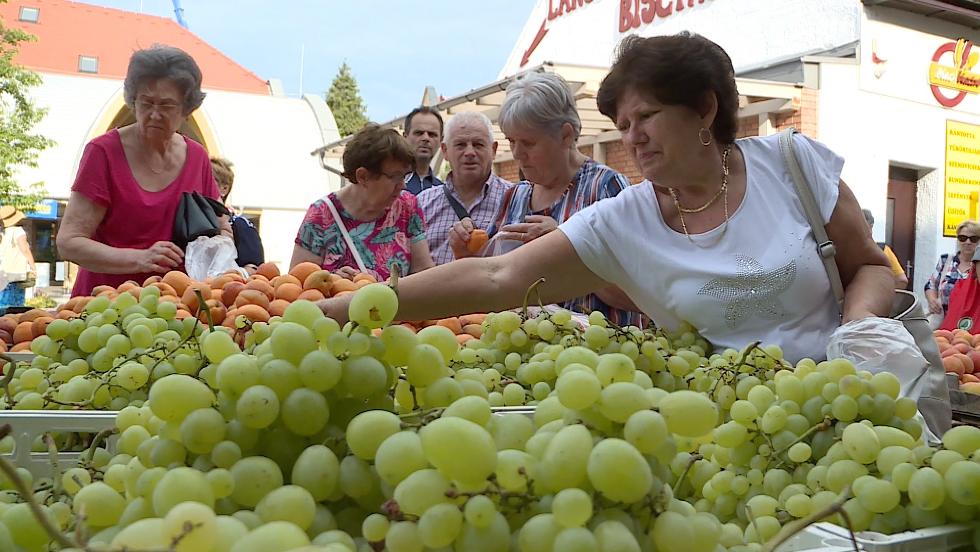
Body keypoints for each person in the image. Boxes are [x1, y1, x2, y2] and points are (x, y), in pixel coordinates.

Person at [318, 32, 894, 364]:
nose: (631, 136)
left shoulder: (792, 164)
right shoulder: (627, 218)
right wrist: (335, 311)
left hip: (843, 413)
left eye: (646, 115)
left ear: (705, 108)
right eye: (622, 121)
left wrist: (859, 328)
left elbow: (869, 265)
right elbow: (497, 278)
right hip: (721, 431)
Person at [451, 72, 642, 326]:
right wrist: (465, 255)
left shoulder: (607, 189)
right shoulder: (515, 196)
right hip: (526, 353)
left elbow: (641, 295)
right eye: (511, 141)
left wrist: (569, 248)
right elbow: (493, 280)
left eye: (528, 143)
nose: (517, 154)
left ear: (565, 135)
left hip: (601, 355)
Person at [57, 45, 229, 296]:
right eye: (146, 102)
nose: (155, 114)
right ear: (133, 100)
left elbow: (222, 223)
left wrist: (223, 249)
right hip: (104, 309)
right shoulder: (103, 152)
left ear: (186, 109)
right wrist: (141, 258)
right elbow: (69, 243)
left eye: (167, 106)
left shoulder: (197, 157)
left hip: (176, 309)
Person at [291, 123, 435, 280]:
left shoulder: (408, 206)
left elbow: (424, 275)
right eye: (395, 176)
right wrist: (333, 283)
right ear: (363, 176)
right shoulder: (320, 216)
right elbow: (297, 287)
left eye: (404, 175)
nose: (403, 185)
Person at [417, 112, 513, 265]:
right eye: (460, 145)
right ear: (445, 151)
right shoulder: (421, 203)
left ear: (493, 150)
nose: (469, 152)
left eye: (478, 144)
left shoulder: (516, 200)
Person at [211, 157, 265, 272]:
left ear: (224, 189)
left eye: (209, 181)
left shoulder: (240, 225)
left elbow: (255, 267)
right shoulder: (186, 223)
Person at [925, 219, 980, 320]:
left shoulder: (978, 267)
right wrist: (932, 300)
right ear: (958, 239)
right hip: (943, 320)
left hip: (971, 322)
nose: (968, 242)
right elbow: (931, 284)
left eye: (973, 238)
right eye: (963, 238)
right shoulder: (946, 260)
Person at [861, 209, 908, 289]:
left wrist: (881, 293)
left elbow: (902, 281)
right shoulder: (842, 250)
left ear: (871, 227)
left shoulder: (883, 250)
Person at [403, 106, 445, 195]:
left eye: (432, 134)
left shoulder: (444, 192)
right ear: (405, 137)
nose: (426, 138)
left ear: (441, 140)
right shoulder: (388, 185)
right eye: (419, 133)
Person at [0, 207, 36, 309]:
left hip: (3, 273)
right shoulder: (18, 231)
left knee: (2, 304)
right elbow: (25, 249)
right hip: (16, 273)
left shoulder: (3, 232)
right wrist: (33, 267)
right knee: (15, 307)